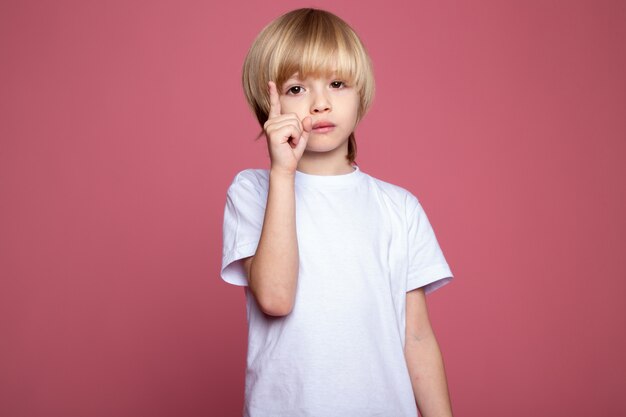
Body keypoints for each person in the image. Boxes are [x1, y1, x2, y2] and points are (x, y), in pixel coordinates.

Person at [220, 8, 454, 417]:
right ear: (268, 102)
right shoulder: (253, 191)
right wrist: (282, 173)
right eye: (297, 89)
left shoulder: (399, 209)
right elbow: (275, 298)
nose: (321, 103)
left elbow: (415, 337)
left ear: (360, 92)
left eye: (337, 83)